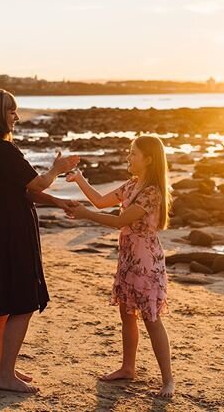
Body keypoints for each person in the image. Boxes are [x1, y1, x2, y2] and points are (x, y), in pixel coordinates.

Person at [0, 89, 79, 393]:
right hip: (14, 234)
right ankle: (5, 375)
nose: (16, 117)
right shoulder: (6, 152)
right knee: (22, 303)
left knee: (0, 304)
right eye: (11, 111)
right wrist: (57, 170)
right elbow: (37, 182)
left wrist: (58, 202)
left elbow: (26, 192)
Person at [66, 135, 174, 397]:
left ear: (148, 159)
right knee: (127, 314)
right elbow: (101, 201)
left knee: (151, 319)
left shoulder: (152, 193)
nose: (128, 157)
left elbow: (119, 220)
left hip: (146, 263)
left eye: (133, 154)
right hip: (127, 260)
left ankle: (168, 379)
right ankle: (128, 367)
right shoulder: (132, 185)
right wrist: (79, 178)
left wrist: (84, 215)